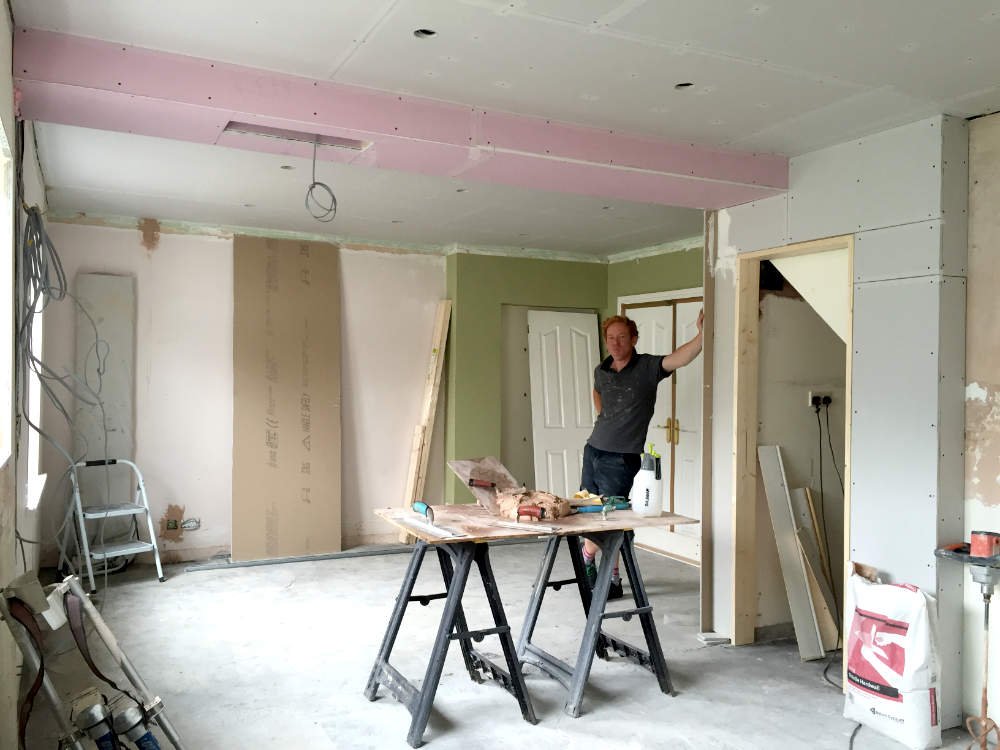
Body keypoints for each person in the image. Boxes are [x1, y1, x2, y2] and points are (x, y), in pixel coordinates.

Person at [580, 310, 704, 599]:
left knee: (611, 519)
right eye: (611, 338)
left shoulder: (647, 367)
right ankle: (610, 576)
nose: (616, 343)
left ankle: (590, 562)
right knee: (589, 514)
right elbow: (597, 392)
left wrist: (701, 335)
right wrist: (608, 419)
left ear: (634, 339)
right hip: (593, 450)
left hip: (621, 459)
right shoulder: (602, 369)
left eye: (622, 337)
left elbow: (680, 358)